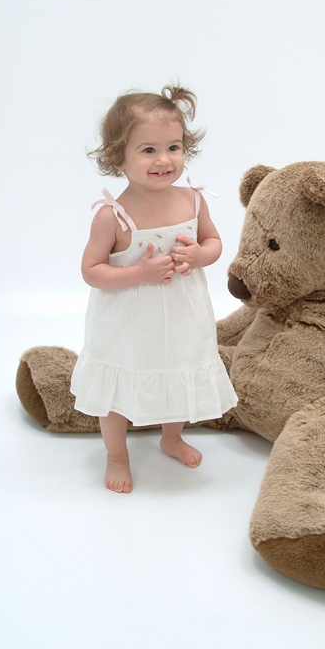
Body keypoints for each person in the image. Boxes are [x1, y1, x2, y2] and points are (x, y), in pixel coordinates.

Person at [70, 85, 238, 493]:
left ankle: (171, 437)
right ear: (118, 157)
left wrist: (200, 255)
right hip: (128, 323)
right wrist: (137, 274)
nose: (164, 160)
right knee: (117, 385)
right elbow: (91, 270)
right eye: (148, 150)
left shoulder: (193, 201)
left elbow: (214, 242)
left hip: (181, 315)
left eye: (173, 147)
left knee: (176, 371)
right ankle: (116, 454)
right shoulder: (112, 216)